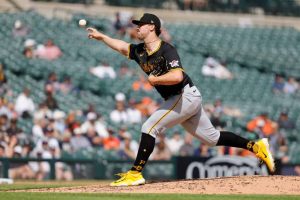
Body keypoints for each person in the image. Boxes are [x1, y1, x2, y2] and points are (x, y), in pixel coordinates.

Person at [86, 13, 275, 187]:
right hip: (181, 100)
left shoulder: (166, 50)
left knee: (149, 127)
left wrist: (156, 79)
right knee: (212, 139)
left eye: (141, 24)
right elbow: (121, 46)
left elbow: (177, 76)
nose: (137, 28)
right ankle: (256, 145)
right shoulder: (140, 51)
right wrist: (102, 37)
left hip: (184, 95)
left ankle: (135, 173)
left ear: (152, 27)